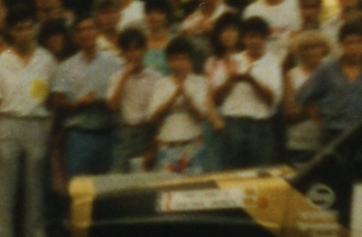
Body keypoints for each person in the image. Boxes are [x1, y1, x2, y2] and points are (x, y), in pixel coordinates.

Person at [0, 8, 59, 237]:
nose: (24, 33)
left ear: (34, 28)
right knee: (5, 189)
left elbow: (52, 98)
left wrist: (50, 129)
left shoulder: (46, 60)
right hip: (8, 123)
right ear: (11, 32)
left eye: (28, 27)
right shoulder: (0, 61)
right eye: (19, 28)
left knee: (35, 188)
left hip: (36, 123)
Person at [51, 15, 123, 185]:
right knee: (79, 189)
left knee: (108, 189)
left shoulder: (115, 64)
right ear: (75, 35)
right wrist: (77, 104)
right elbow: (56, 102)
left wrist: (106, 102)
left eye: (90, 29)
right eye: (81, 30)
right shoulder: (65, 67)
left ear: (97, 32)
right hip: (79, 135)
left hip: (108, 133)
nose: (86, 34)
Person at [297, 21, 362, 138]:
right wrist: (318, 122)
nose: (354, 47)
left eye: (359, 43)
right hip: (334, 133)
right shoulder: (326, 71)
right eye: (349, 43)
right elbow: (304, 96)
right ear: (341, 45)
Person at [210, 16, 283, 169]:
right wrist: (231, 79)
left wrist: (251, 80)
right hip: (233, 125)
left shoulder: (273, 62)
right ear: (243, 38)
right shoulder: (231, 60)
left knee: (260, 177)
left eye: (259, 37)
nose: (255, 41)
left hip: (261, 128)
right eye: (251, 36)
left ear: (266, 39)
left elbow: (272, 100)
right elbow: (215, 99)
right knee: (232, 178)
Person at [148, 36, 218, 174]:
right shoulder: (160, 84)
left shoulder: (200, 82)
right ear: (168, 62)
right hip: (167, 144)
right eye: (175, 59)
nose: (179, 64)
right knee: (168, 191)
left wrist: (185, 95)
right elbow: (152, 118)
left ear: (191, 60)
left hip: (192, 144)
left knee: (193, 189)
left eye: (184, 59)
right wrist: (173, 97)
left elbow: (200, 116)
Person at [108, 28, 161, 174]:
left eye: (137, 49)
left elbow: (159, 115)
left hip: (147, 133)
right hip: (124, 134)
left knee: (147, 182)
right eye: (128, 51)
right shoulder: (116, 76)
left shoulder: (155, 77)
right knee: (118, 179)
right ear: (123, 53)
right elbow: (113, 106)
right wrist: (125, 76)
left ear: (144, 50)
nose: (133, 54)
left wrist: (153, 147)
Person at [282, 31, 331, 163]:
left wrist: (305, 106)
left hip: (327, 142)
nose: (312, 52)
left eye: (316, 47)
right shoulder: (292, 75)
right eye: (307, 48)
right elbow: (289, 113)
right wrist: (313, 109)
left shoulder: (332, 73)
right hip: (299, 143)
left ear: (324, 49)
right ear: (299, 52)